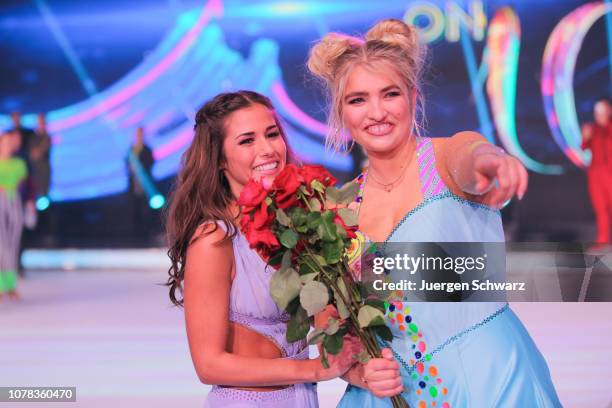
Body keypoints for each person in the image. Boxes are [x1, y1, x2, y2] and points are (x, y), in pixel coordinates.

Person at [307, 19, 562, 407]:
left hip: (490, 381)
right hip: (388, 395)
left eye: (389, 94)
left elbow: (472, 154)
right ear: (341, 113)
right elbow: (330, 324)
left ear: (412, 95)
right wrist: (359, 372)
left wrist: (493, 160)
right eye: (357, 99)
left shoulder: (443, 159)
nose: (376, 112)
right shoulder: (338, 208)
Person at [165, 91, 359, 407]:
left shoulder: (295, 226)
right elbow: (208, 364)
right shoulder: (213, 239)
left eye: (272, 134)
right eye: (247, 141)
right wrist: (314, 369)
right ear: (219, 159)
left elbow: (325, 318)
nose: (267, 149)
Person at [0, 131, 28, 300]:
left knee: (12, 244)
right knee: (1, 244)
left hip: (14, 202)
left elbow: (23, 183)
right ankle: (1, 284)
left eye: (11, 142)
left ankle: (11, 284)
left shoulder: (19, 164)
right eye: (5, 142)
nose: (8, 145)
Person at [581, 99, 612, 246]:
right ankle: (603, 240)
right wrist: (585, 136)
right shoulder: (592, 129)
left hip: (609, 173)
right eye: (596, 112)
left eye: (602, 111)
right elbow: (584, 146)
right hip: (596, 174)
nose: (598, 115)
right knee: (600, 208)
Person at [126, 126, 155, 238]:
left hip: (146, 185)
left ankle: (147, 233)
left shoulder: (147, 149)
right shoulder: (131, 150)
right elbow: (127, 165)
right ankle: (136, 234)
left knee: (146, 209)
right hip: (134, 185)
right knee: (134, 209)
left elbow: (151, 164)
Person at [30, 112, 52, 198]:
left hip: (44, 169)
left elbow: (40, 152)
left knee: (44, 194)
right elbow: (33, 154)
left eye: (43, 121)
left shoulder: (47, 137)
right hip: (35, 170)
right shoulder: (33, 137)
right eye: (40, 121)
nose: (41, 124)